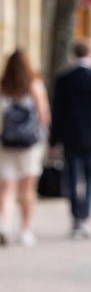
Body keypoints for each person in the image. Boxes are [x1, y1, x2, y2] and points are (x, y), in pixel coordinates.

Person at [50, 39, 91, 239]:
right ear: (90, 54)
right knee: (90, 177)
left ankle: (76, 218)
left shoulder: (63, 79)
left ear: (73, 54)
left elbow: (56, 112)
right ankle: (85, 218)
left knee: (71, 177)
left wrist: (53, 140)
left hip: (70, 136)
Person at [0, 48, 51, 247]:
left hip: (6, 143)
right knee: (27, 188)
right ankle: (25, 230)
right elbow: (44, 115)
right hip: (30, 144)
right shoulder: (34, 85)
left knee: (6, 187)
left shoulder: (3, 86)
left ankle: (4, 224)